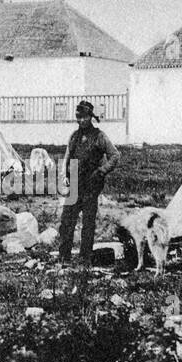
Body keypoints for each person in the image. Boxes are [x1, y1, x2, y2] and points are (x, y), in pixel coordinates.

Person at [57, 100, 120, 266]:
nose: (81, 120)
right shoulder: (74, 136)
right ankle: (64, 258)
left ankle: (84, 259)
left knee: (88, 223)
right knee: (66, 221)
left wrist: (102, 171)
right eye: (79, 117)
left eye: (84, 117)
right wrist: (65, 175)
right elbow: (67, 156)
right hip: (75, 184)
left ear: (90, 118)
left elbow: (115, 156)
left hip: (91, 185)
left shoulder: (99, 136)